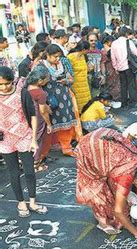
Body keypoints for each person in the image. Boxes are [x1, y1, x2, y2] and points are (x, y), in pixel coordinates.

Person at [75, 128, 137, 240]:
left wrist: (125, 197)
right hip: (90, 148)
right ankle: (103, 222)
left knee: (116, 189)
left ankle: (114, 210)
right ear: (136, 181)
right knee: (98, 189)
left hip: (105, 137)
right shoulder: (126, 177)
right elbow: (118, 211)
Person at [0, 66, 48, 217]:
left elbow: (33, 116)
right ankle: (21, 203)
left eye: (7, 83)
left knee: (29, 171)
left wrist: (34, 139)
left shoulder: (22, 92)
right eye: (0, 84)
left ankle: (33, 202)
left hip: (24, 137)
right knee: (13, 172)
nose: (4, 87)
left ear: (12, 81)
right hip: (5, 139)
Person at [39, 44, 77, 157]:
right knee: (50, 124)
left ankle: (66, 147)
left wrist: (66, 81)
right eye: (55, 56)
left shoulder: (61, 65)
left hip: (65, 98)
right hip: (50, 100)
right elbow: (36, 83)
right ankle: (46, 151)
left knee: (66, 124)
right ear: (48, 55)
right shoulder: (41, 66)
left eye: (59, 56)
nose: (58, 59)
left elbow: (71, 78)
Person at [23, 66, 52, 172]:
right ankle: (36, 165)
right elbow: (43, 111)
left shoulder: (25, 87)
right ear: (40, 81)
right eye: (47, 79)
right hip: (37, 119)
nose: (48, 81)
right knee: (37, 141)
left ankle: (24, 162)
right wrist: (48, 124)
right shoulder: (40, 93)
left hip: (25, 117)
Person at [111, 27, 137, 108]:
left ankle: (124, 102)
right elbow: (136, 52)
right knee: (131, 84)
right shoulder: (128, 42)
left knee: (123, 85)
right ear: (126, 34)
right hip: (128, 66)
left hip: (120, 67)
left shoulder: (114, 43)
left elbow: (113, 57)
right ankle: (132, 102)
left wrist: (115, 67)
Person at [68, 40, 92, 111]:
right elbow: (68, 72)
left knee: (87, 104)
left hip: (84, 84)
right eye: (87, 50)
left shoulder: (83, 56)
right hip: (75, 85)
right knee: (77, 105)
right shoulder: (70, 57)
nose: (88, 51)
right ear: (84, 50)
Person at [101, 35, 121, 101]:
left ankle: (115, 98)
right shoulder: (104, 51)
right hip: (109, 69)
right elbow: (103, 62)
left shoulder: (111, 49)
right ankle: (112, 98)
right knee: (111, 84)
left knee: (115, 83)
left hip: (113, 68)